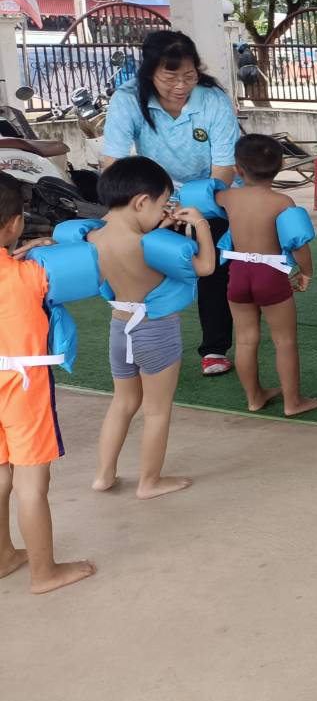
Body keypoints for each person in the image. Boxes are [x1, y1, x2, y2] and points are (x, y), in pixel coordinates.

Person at [101, 30, 240, 377]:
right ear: (150, 72)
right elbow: (115, 164)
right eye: (170, 77)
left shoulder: (213, 100)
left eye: (189, 76)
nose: (181, 86)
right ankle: (136, 344)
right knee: (138, 263)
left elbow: (224, 168)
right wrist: (144, 211)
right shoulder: (128, 99)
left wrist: (192, 209)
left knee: (213, 268)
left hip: (209, 196)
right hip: (153, 199)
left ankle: (214, 348)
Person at [85, 158, 216, 498]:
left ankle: (103, 475)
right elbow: (205, 267)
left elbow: (133, 236)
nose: (162, 213)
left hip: (119, 327)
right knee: (156, 410)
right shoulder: (149, 246)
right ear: (142, 201)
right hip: (155, 330)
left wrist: (159, 226)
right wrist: (200, 224)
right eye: (161, 205)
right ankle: (149, 482)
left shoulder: (93, 237)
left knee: (122, 402)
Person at [0, 173, 96, 594]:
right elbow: (93, 259)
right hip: (24, 385)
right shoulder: (32, 275)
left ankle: (4, 556)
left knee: (0, 474)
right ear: (13, 224)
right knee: (32, 484)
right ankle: (44, 573)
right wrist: (48, 248)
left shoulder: (24, 270)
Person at [214, 135, 317, 417]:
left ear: (238, 168)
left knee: (245, 340)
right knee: (284, 341)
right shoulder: (282, 202)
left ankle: (254, 398)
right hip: (270, 274)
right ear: (281, 165)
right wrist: (306, 272)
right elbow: (298, 243)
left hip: (238, 271)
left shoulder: (227, 197)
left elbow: (205, 195)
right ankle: (292, 402)